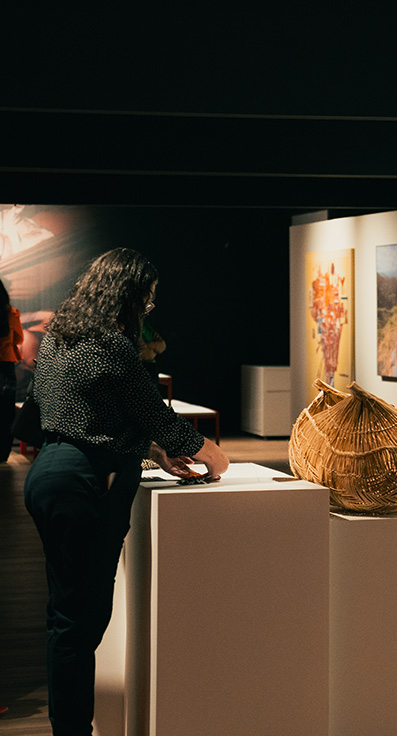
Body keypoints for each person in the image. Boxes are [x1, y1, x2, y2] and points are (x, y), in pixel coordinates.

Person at [22, 248, 230, 735]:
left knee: (68, 617)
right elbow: (152, 411)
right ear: (130, 296)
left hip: (51, 473)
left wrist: (155, 454)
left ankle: (68, 725)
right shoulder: (114, 346)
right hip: (86, 483)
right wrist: (211, 453)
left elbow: (90, 411)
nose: (149, 309)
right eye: (148, 300)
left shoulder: (60, 339)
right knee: (80, 622)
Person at [0, 280, 24, 461]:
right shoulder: (11, 312)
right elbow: (19, 338)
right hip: (6, 363)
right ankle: (3, 453)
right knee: (7, 410)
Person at [139, 320, 166, 387]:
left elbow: (162, 346)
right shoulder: (129, 326)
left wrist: (150, 345)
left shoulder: (145, 324)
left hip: (151, 367)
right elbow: (143, 353)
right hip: (138, 366)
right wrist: (153, 348)